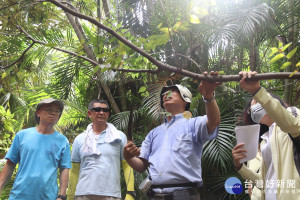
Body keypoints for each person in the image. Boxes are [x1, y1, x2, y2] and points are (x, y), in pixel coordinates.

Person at [123, 71, 222, 200]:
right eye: (164, 93)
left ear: (185, 99)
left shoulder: (193, 124)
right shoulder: (154, 133)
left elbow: (213, 121)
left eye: (172, 91)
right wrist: (128, 157)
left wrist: (209, 97)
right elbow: (141, 166)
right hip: (153, 196)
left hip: (184, 195)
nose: (166, 95)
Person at [232, 71, 300, 200]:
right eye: (252, 107)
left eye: (257, 101)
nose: (255, 107)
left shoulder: (293, 114)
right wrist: (240, 167)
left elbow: (290, 124)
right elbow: (263, 183)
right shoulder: (265, 140)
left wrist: (257, 91)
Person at [0, 98, 71, 200]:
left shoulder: (62, 141)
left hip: (48, 197)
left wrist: (62, 196)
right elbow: (10, 163)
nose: (54, 113)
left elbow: (64, 168)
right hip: (20, 195)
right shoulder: (22, 135)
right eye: (49, 109)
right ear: (38, 113)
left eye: (57, 111)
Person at [67, 99, 135, 200]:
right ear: (90, 113)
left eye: (105, 110)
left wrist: (130, 193)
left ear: (108, 114)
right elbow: (74, 170)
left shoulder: (119, 137)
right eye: (97, 109)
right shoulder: (80, 139)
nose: (101, 112)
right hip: (83, 194)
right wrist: (70, 196)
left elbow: (127, 165)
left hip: (111, 194)